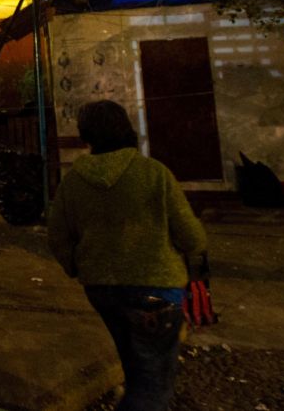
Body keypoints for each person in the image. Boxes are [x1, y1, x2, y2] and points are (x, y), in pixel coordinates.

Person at [47, 100, 208, 411]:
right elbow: (192, 237)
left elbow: (57, 236)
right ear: (125, 129)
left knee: (136, 364)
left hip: (102, 289)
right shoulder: (154, 174)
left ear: (86, 136)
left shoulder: (73, 182)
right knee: (152, 384)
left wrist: (77, 266)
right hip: (156, 289)